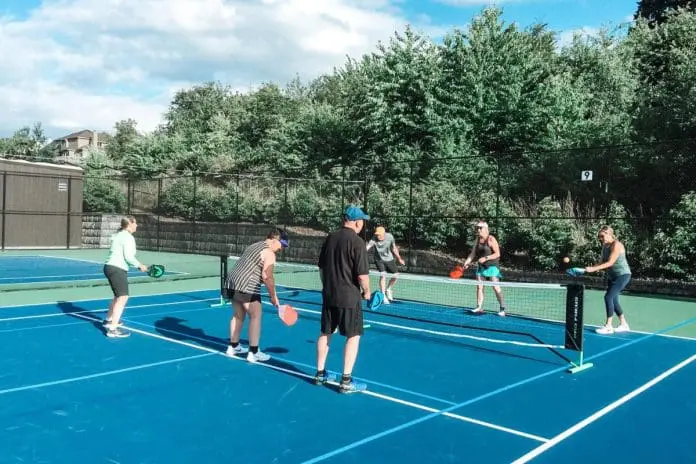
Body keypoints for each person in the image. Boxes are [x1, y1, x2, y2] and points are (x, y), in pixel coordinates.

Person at [314, 205, 371, 393]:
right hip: (349, 297)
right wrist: (368, 293)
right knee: (353, 336)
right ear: (356, 221)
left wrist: (327, 287)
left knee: (325, 333)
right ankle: (346, 381)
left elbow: (321, 269)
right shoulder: (357, 242)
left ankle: (320, 374)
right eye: (362, 220)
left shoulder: (330, 238)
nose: (363, 224)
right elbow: (362, 276)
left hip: (329, 295)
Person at [224, 228, 288, 363]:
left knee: (238, 314)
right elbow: (267, 276)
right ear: (275, 239)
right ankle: (253, 352)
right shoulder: (269, 253)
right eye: (282, 245)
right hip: (247, 285)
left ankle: (233, 346)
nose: (282, 248)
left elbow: (252, 268)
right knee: (255, 315)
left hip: (231, 281)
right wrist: (273, 296)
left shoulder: (253, 245)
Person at [103, 216, 149, 338]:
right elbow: (128, 257)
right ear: (129, 225)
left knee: (117, 296)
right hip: (117, 269)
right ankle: (113, 329)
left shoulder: (118, 235)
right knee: (123, 297)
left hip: (109, 267)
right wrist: (140, 266)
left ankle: (108, 320)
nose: (137, 225)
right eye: (135, 223)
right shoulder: (128, 237)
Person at [582, 225, 631, 335]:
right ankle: (624, 324)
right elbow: (602, 262)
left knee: (608, 297)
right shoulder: (605, 246)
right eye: (599, 237)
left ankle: (608, 326)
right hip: (612, 276)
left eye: (602, 236)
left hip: (622, 275)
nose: (600, 239)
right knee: (614, 299)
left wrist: (593, 269)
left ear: (609, 234)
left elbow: (610, 263)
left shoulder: (617, 245)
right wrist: (590, 269)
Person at [462, 221, 507, 316]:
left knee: (495, 287)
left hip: (492, 266)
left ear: (486, 229)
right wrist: (467, 262)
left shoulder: (491, 239)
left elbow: (497, 254)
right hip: (481, 267)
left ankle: (502, 308)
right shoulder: (477, 240)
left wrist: (486, 258)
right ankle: (479, 307)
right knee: (479, 287)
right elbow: (473, 253)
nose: (478, 230)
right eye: (477, 228)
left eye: (480, 228)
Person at [366, 226, 405, 304]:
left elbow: (394, 248)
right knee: (383, 275)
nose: (378, 236)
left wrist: (399, 258)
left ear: (384, 234)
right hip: (379, 259)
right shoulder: (374, 238)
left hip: (389, 259)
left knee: (396, 275)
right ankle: (383, 295)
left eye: (379, 234)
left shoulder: (390, 237)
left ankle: (388, 289)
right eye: (377, 234)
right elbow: (367, 247)